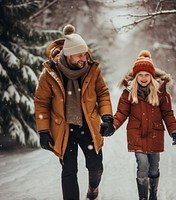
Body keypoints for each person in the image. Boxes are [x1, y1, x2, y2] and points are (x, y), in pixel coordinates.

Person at [34, 24, 115, 200]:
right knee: (69, 171)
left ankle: (93, 188)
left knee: (96, 166)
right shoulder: (50, 73)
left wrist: (107, 117)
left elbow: (103, 94)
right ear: (68, 55)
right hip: (64, 129)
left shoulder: (92, 69)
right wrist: (43, 131)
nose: (84, 58)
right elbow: (41, 103)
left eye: (85, 54)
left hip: (88, 125)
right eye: (79, 55)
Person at [113, 50, 176, 200]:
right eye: (140, 75)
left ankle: (153, 194)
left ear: (152, 76)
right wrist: (112, 125)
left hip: (155, 134)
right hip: (137, 134)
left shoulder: (161, 93)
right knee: (142, 165)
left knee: (154, 166)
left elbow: (168, 114)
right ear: (135, 77)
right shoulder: (129, 93)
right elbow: (121, 113)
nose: (143, 78)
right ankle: (143, 197)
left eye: (146, 75)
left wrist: (174, 130)